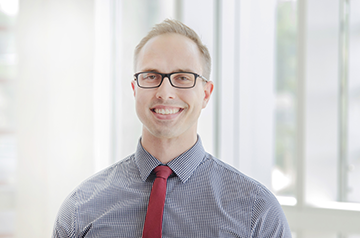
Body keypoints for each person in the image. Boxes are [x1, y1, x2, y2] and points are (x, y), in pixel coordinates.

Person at [53, 19, 292, 237]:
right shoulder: (80, 209)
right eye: (150, 76)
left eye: (182, 77)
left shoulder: (256, 212)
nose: (165, 93)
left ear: (206, 93)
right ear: (135, 89)